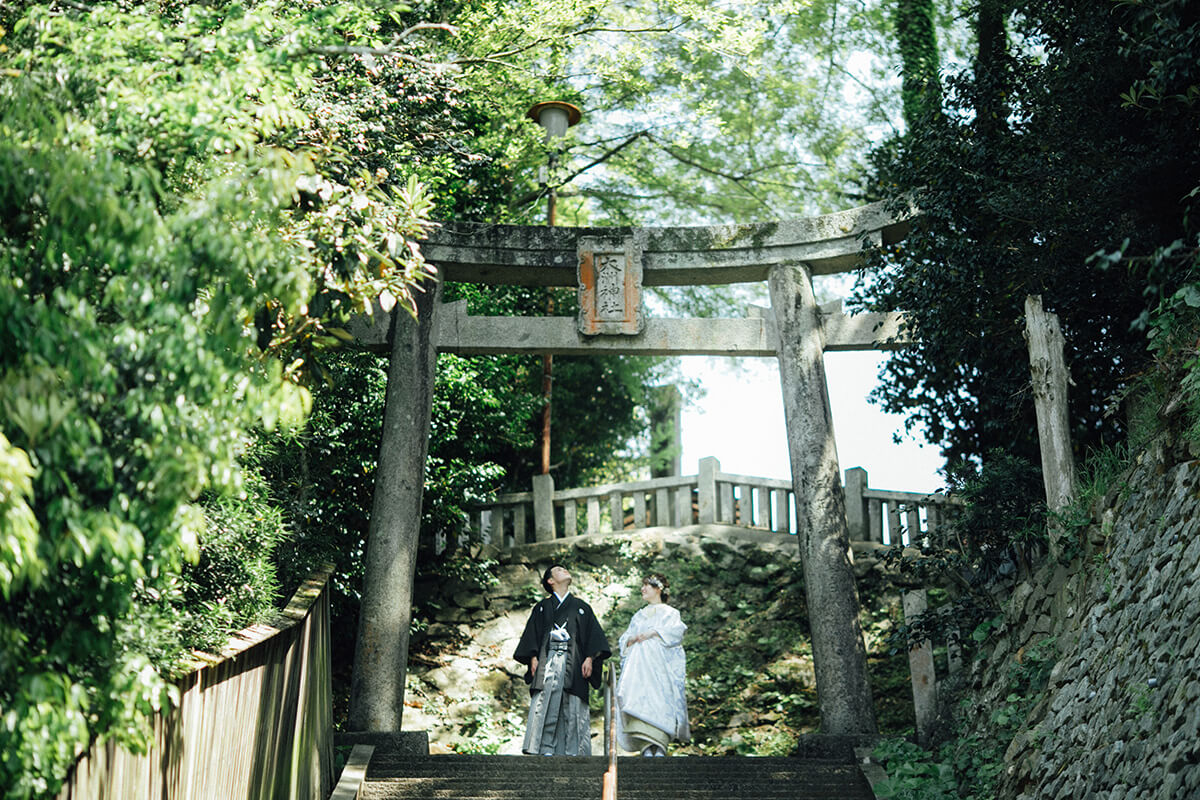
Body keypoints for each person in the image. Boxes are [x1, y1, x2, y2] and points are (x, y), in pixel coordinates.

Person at [513, 564, 612, 756]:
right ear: (550, 581)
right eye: (559, 570)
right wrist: (532, 658)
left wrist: (590, 658)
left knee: (573, 704)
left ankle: (574, 750)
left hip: (574, 659)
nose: (565, 570)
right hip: (547, 659)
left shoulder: (582, 607)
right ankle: (543, 747)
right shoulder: (541, 607)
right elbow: (532, 634)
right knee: (546, 701)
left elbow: (594, 636)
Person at [616, 573, 690, 757]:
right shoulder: (639, 615)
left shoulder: (670, 613)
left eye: (647, 585)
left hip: (660, 665)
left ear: (658, 589)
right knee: (640, 698)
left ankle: (660, 746)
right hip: (638, 666)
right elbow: (625, 637)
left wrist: (653, 632)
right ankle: (646, 746)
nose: (643, 589)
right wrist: (631, 639)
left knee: (660, 700)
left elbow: (676, 633)